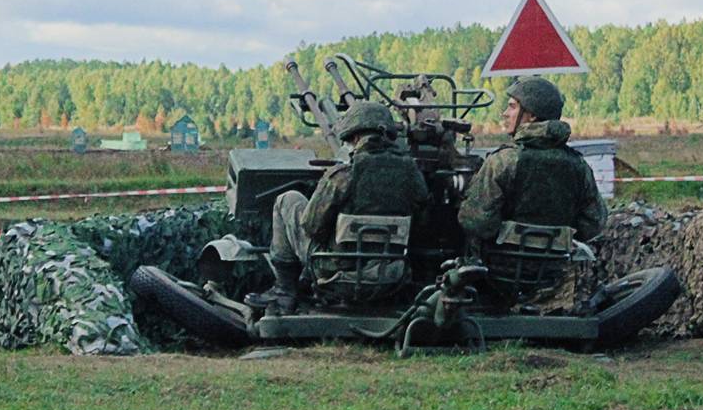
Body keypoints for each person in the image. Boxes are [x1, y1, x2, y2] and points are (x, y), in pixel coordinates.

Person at [256, 101, 431, 314]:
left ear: (355, 138)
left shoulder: (342, 176)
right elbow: (423, 222)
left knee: (287, 199)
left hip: (335, 271)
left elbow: (312, 227)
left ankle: (284, 291)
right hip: (390, 272)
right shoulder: (412, 174)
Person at [458, 76, 606, 252]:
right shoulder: (578, 165)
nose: (505, 113)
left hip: (499, 269)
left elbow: (477, 222)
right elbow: (594, 223)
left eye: (512, 106)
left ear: (532, 115)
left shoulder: (503, 161)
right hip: (555, 270)